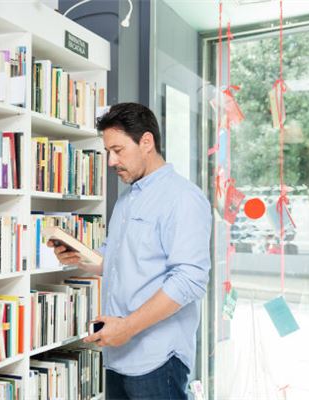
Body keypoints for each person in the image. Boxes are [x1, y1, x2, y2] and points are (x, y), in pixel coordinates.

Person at [49, 103, 212, 400]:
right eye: (108, 152)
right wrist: (81, 257)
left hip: (158, 359)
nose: (111, 161)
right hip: (117, 354)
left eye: (118, 150)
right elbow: (117, 259)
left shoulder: (183, 198)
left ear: (146, 142)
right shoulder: (127, 200)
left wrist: (128, 327)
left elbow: (190, 279)